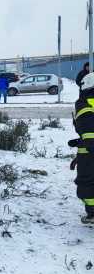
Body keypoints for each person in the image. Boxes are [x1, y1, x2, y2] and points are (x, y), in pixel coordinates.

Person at [69, 72, 94, 224]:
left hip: (90, 154)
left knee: (86, 184)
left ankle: (92, 214)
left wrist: (82, 150)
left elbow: (90, 133)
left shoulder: (85, 103)